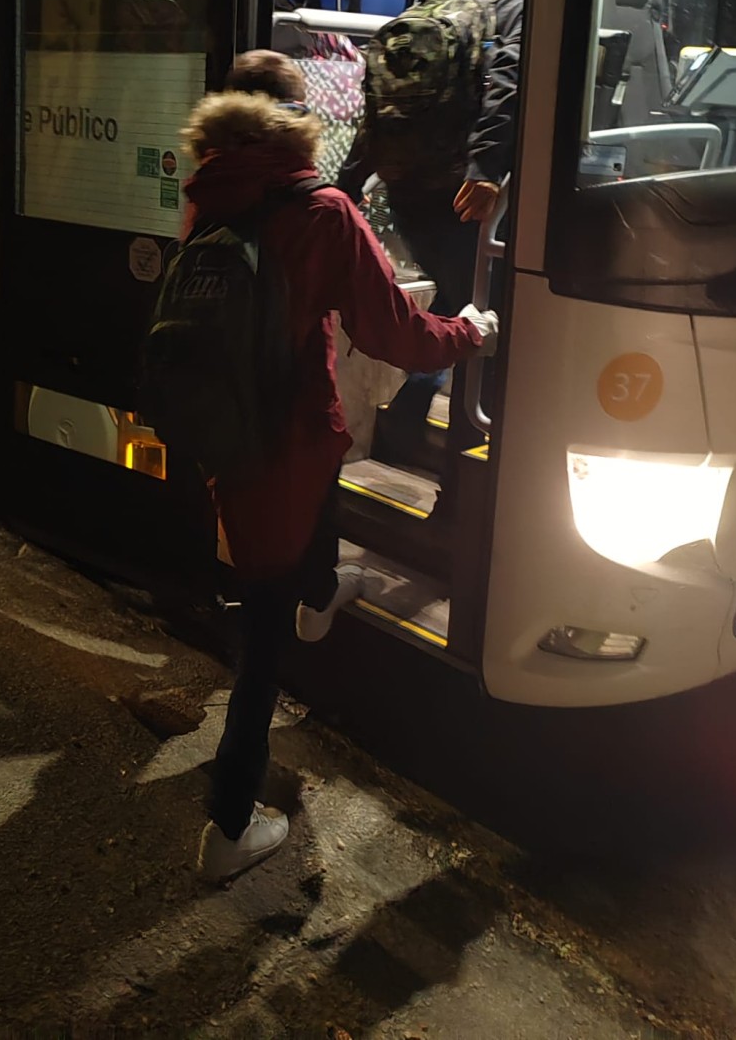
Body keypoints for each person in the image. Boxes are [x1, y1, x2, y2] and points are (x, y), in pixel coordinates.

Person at [182, 77, 494, 881]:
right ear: (299, 129)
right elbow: (396, 332)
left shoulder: (210, 197)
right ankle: (228, 826)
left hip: (231, 434)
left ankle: (319, 592)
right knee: (262, 640)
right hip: (286, 444)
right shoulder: (323, 212)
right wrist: (472, 330)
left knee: (292, 543)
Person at [337, 0, 530, 487]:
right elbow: (509, 81)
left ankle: (405, 424)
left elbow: (382, 106)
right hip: (464, 189)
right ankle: (470, 464)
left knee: (451, 299)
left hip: (405, 187)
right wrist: (487, 167)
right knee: (484, 315)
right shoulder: (517, 1)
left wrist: (347, 183)